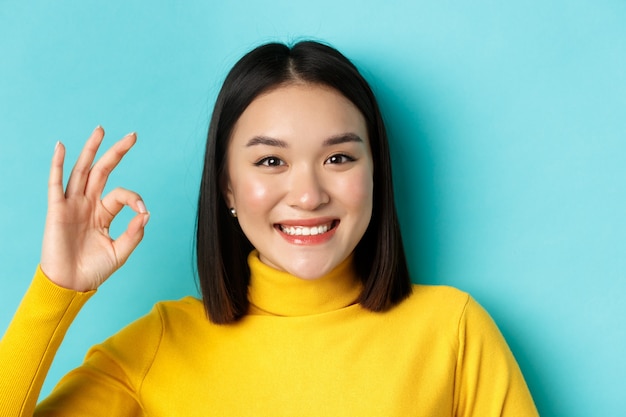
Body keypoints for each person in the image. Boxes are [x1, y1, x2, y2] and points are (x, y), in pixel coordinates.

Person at [0, 41, 539, 416]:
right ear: (227, 188)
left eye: (339, 159)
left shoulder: (455, 333)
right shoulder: (163, 344)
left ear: (377, 174)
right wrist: (56, 291)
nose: (307, 196)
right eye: (271, 162)